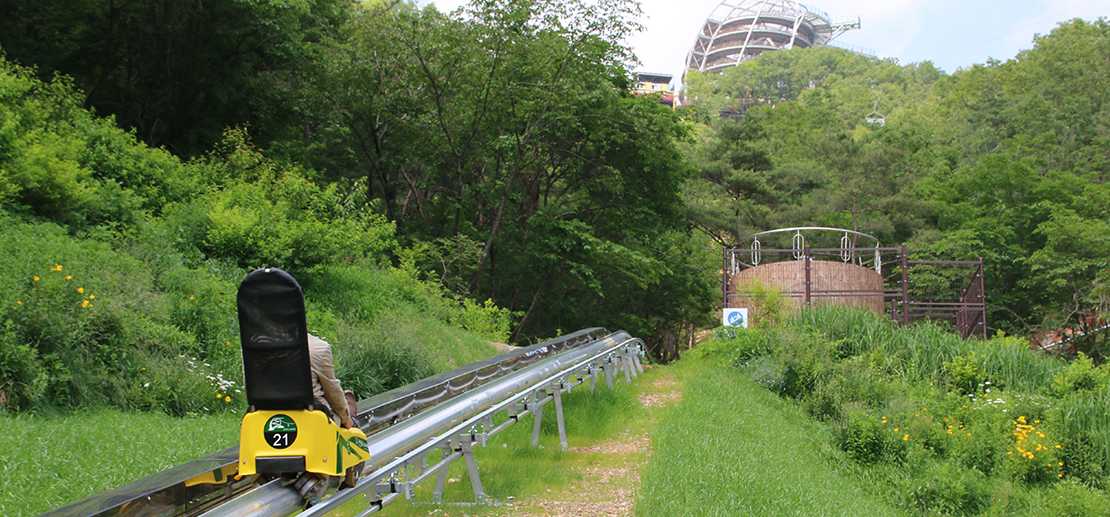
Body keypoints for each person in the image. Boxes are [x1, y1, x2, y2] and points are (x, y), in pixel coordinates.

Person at [307, 333, 356, 429]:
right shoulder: (318, 348)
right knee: (348, 419)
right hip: (314, 417)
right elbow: (332, 390)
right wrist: (346, 419)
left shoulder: (269, 346)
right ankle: (351, 417)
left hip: (271, 416)